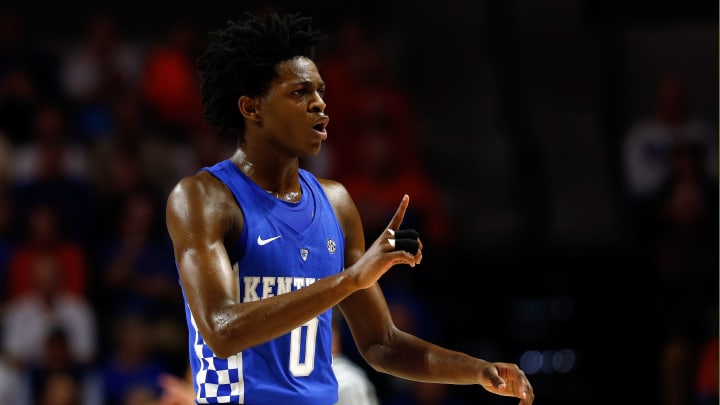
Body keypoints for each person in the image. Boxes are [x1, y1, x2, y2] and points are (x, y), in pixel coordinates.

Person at [165, 10, 534, 405]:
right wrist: (350, 280)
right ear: (251, 108)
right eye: (299, 93)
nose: (320, 104)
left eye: (320, 91)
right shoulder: (204, 197)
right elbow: (221, 332)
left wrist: (476, 371)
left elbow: (382, 344)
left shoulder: (336, 202)